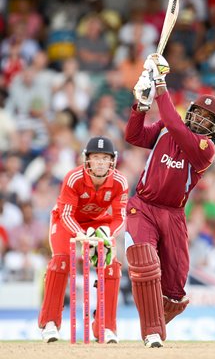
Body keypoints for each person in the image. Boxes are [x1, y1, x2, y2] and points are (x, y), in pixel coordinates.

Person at [124, 52, 215, 348]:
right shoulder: (167, 127)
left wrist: (159, 84)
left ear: (214, 126)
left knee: (175, 290)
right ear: (191, 110)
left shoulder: (206, 149)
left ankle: (155, 317)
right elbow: (134, 137)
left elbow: (175, 123)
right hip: (142, 206)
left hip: (174, 214)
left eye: (208, 118)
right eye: (198, 112)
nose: (200, 119)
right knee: (144, 262)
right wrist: (140, 106)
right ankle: (152, 332)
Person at [38, 136, 128, 343]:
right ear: (87, 159)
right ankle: (50, 323)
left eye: (104, 158)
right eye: (95, 157)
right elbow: (66, 214)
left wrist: (107, 234)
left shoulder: (120, 181)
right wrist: (81, 234)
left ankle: (105, 326)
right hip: (66, 221)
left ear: (112, 161)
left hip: (98, 223)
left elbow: (119, 217)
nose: (100, 163)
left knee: (111, 266)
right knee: (61, 262)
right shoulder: (73, 178)